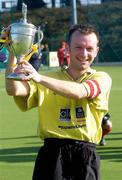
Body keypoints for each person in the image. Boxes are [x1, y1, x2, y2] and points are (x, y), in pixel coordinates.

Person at [5, 23, 112, 180]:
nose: (84, 53)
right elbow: (14, 90)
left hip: (86, 156)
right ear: (67, 49)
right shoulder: (50, 78)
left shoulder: (102, 78)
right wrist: (13, 53)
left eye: (89, 48)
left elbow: (80, 92)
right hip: (52, 154)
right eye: (78, 47)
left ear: (97, 51)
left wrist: (39, 78)